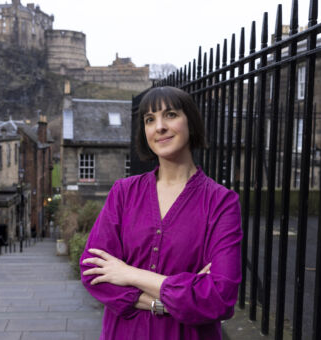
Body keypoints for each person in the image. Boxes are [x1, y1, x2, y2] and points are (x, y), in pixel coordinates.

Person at [80, 86, 243, 339]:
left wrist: (129, 274)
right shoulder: (123, 193)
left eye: (170, 115)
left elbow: (220, 297)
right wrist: (179, 297)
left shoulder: (221, 202)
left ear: (191, 122)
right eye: (149, 119)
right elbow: (93, 272)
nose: (159, 127)